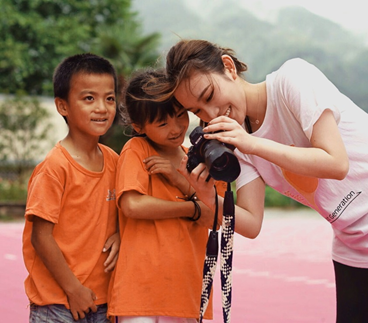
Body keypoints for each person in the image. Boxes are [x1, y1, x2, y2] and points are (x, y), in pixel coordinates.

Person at [146, 39, 368, 322]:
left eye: (210, 95)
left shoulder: (293, 80)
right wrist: (205, 195)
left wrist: (250, 144)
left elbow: (336, 163)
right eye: (198, 111)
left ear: (228, 67)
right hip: (352, 243)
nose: (210, 114)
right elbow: (251, 224)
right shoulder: (238, 139)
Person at [107, 69, 227, 323]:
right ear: (139, 127)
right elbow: (132, 205)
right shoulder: (137, 149)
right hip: (139, 291)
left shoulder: (201, 157)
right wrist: (190, 209)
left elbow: (216, 219)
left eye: (180, 115)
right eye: (162, 123)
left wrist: (178, 180)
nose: (176, 128)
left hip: (185, 290)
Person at [22, 53, 120, 322]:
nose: (102, 107)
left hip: (102, 302)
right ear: (62, 106)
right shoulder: (55, 167)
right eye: (89, 98)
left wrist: (121, 234)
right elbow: (41, 237)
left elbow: (127, 210)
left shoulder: (115, 162)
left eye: (109, 98)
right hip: (58, 303)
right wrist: (73, 289)